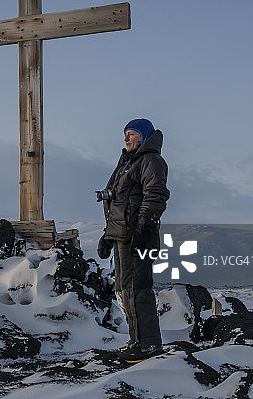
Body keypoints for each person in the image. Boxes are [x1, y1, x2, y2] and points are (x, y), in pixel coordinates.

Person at [96, 118, 169, 363]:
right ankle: (136, 340)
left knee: (138, 289)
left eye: (132, 133)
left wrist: (144, 230)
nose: (126, 138)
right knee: (123, 291)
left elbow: (155, 195)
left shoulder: (151, 161)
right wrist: (108, 236)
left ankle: (149, 345)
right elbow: (118, 203)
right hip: (122, 236)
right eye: (125, 133)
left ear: (144, 137)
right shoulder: (127, 163)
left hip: (137, 235)